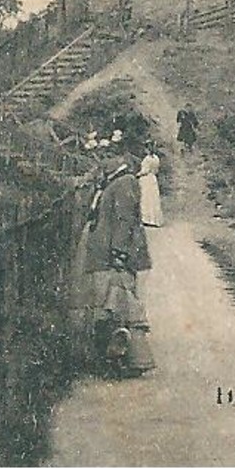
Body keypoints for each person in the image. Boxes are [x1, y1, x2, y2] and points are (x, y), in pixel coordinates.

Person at [81, 151, 156, 377]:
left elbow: (125, 221)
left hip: (114, 257)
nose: (101, 162)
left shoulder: (125, 183)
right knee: (112, 306)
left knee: (120, 305)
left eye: (105, 157)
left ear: (119, 160)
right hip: (105, 255)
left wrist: (119, 253)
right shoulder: (112, 182)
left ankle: (129, 360)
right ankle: (118, 359)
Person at [138, 145, 163, 227]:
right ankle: (154, 219)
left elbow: (144, 171)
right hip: (153, 178)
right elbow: (156, 170)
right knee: (153, 198)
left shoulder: (147, 159)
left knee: (146, 197)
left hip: (146, 179)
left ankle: (147, 219)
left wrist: (137, 174)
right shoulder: (156, 158)